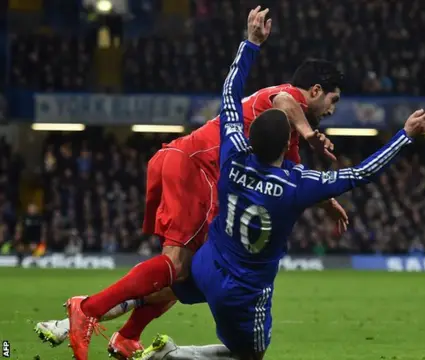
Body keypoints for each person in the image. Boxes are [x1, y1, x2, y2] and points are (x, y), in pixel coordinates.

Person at [133, 9, 425, 360]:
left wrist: (250, 43)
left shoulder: (232, 157)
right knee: (251, 354)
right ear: (287, 144)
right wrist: (405, 136)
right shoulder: (297, 183)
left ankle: (98, 308)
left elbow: (230, 96)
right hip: (245, 291)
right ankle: (170, 355)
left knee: (172, 279)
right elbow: (360, 173)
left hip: (208, 267)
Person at [59, 7, 348, 360]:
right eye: (333, 100)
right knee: (179, 266)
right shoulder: (288, 99)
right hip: (195, 166)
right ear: (316, 90)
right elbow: (287, 101)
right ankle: (87, 310)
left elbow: (296, 173)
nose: (333, 109)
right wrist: (309, 131)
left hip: (185, 162)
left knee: (188, 272)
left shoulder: (284, 134)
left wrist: (327, 201)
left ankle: (127, 336)